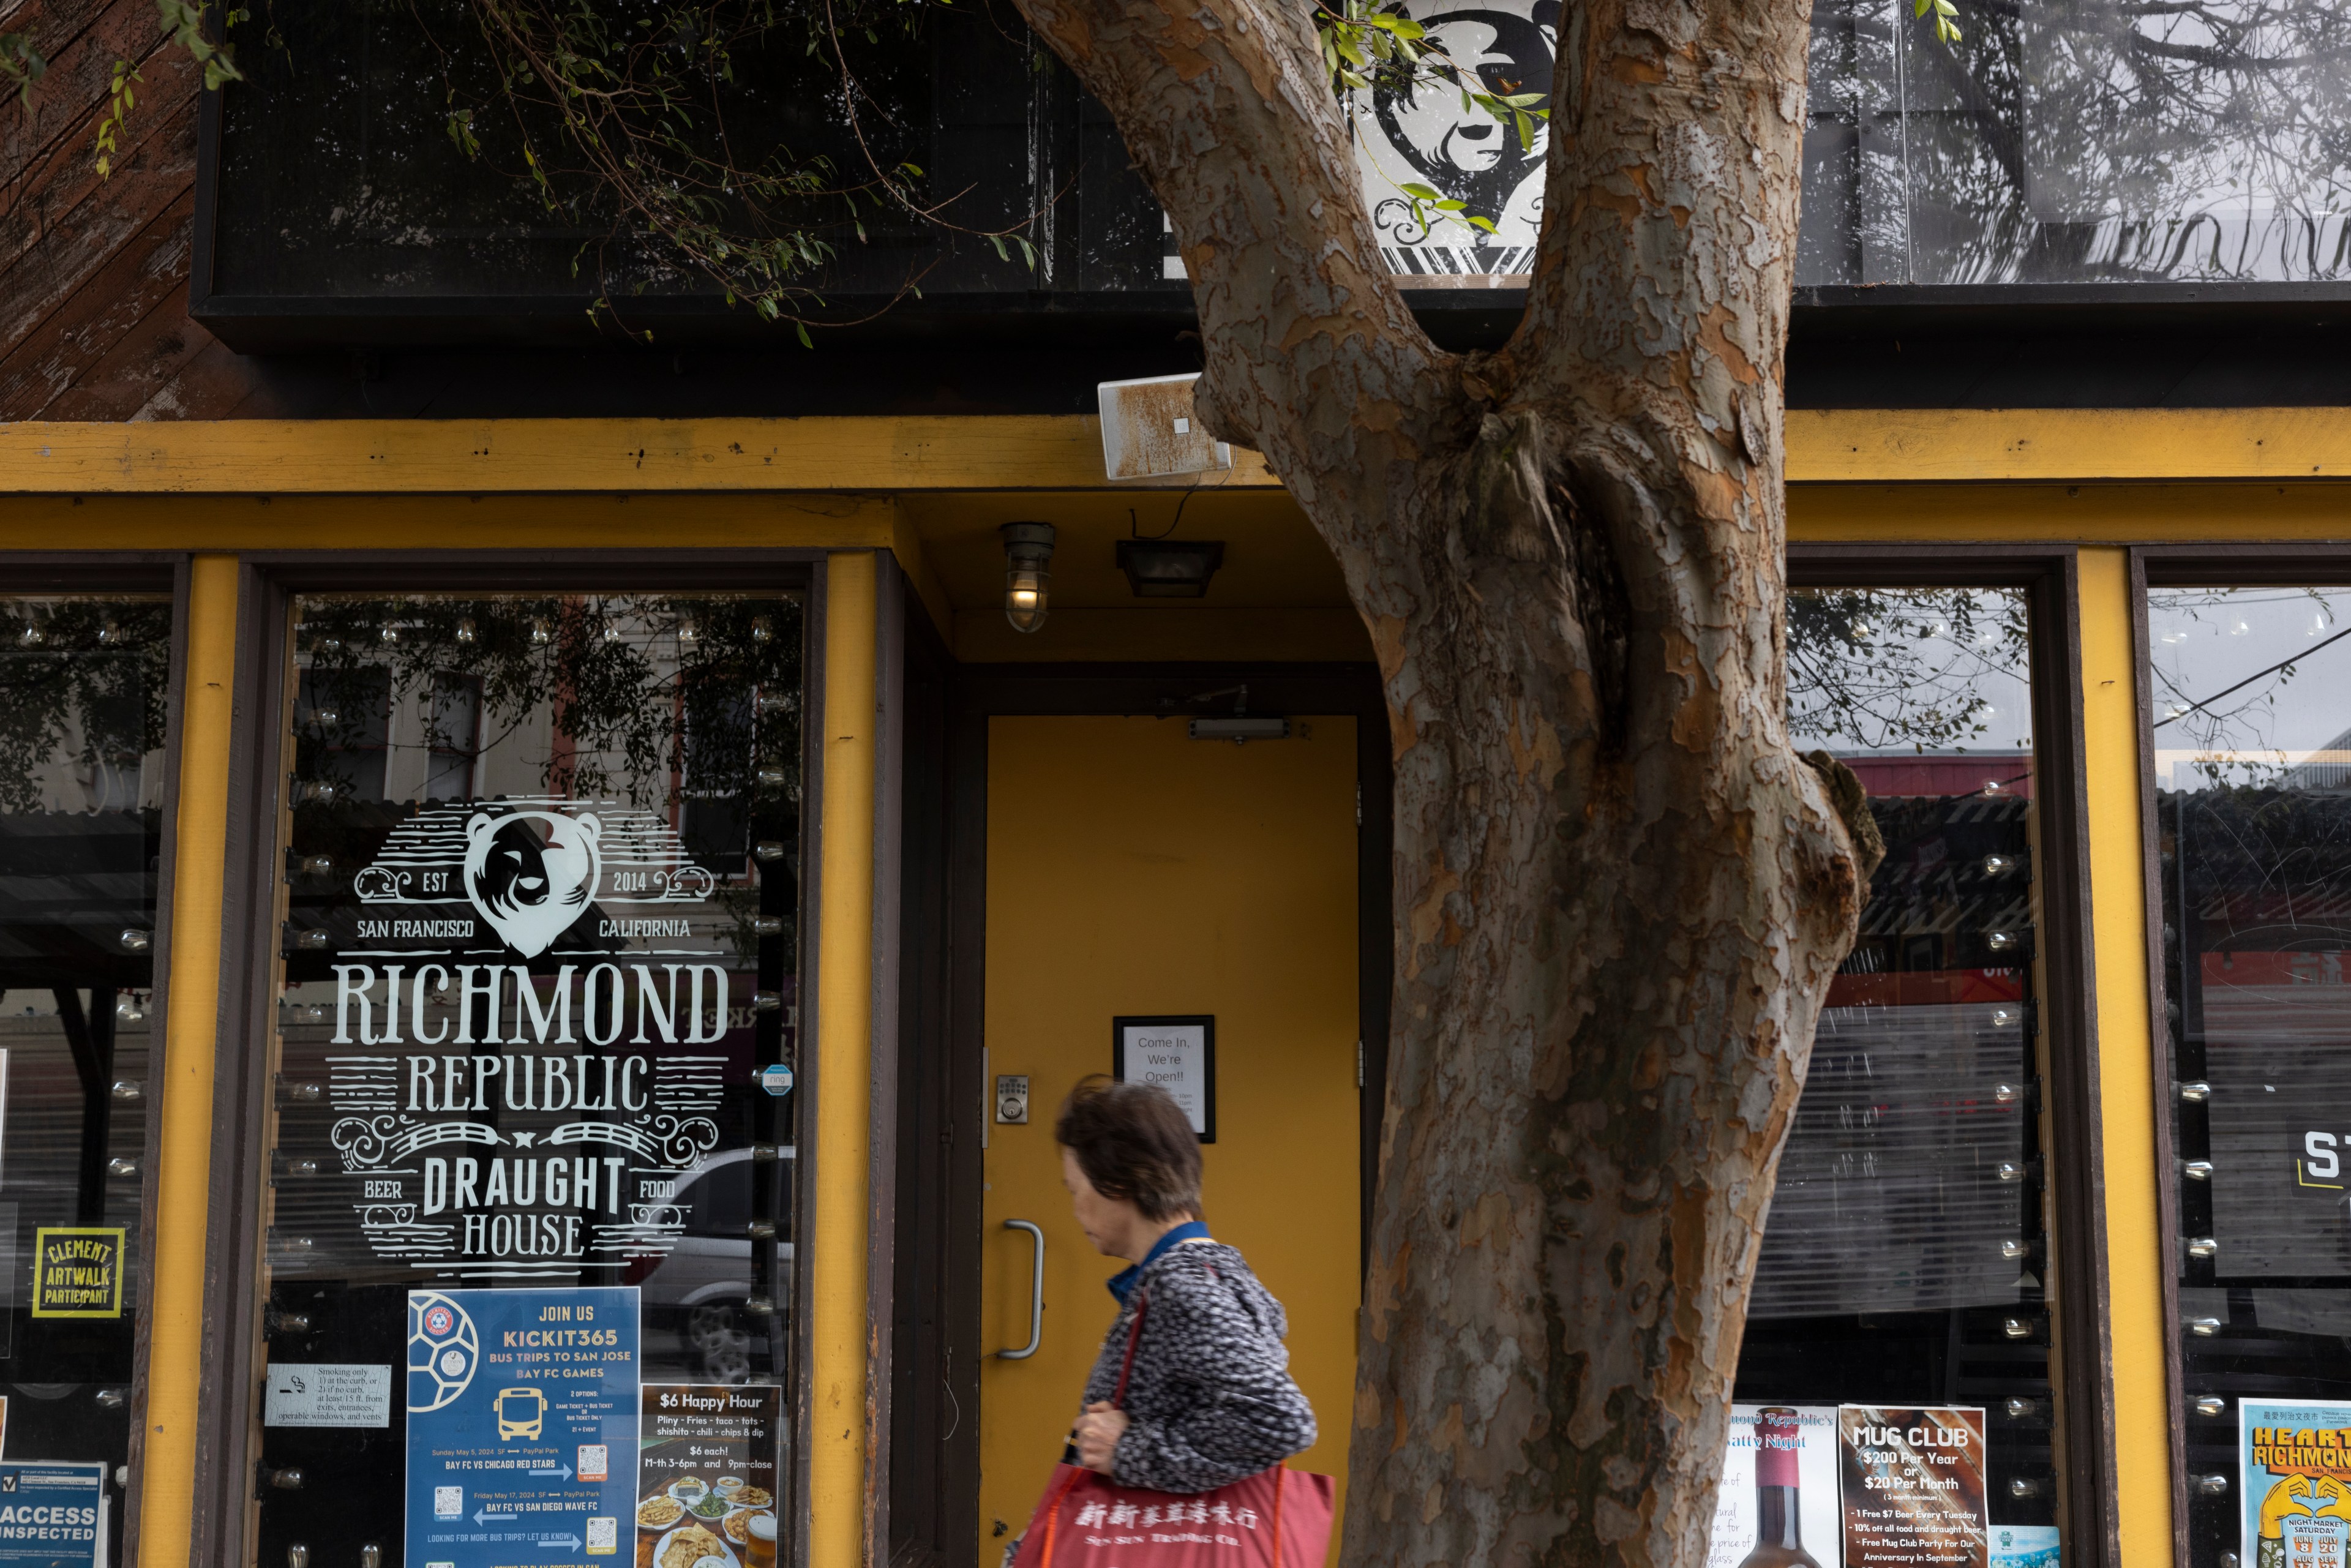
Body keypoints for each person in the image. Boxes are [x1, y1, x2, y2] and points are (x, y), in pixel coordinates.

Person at [1056, 1077, 1316, 1492]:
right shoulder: (1208, 1272)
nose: (1073, 1207)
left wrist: (1127, 1449)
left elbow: (1282, 1418)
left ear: (1117, 1180)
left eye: (1074, 1188)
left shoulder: (1182, 1285)